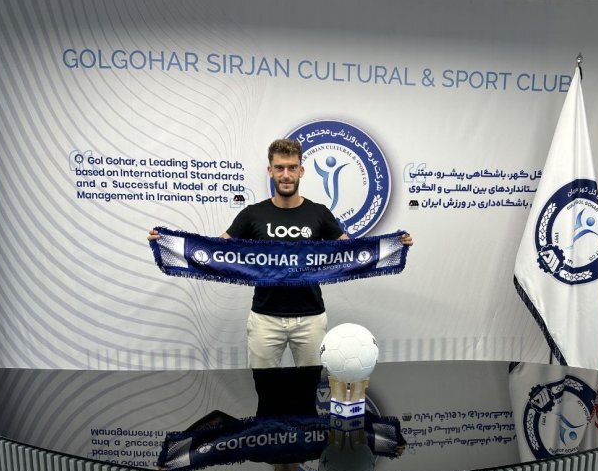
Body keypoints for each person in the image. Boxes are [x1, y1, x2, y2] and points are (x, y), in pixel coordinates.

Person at [149, 138, 413, 368]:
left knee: (308, 389)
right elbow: (217, 251)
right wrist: (169, 244)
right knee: (266, 390)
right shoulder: (252, 214)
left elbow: (350, 252)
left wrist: (394, 245)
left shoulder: (319, 213)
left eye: (292, 168)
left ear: (301, 171)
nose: (286, 174)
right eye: (279, 168)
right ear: (270, 171)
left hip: (311, 318)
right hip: (265, 318)